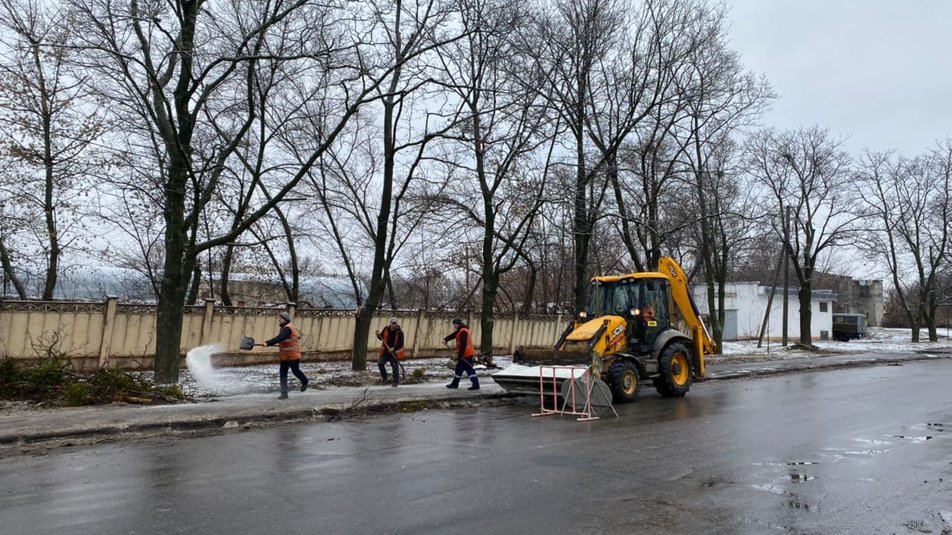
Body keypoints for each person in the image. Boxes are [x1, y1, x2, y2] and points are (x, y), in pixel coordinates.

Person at [258, 311, 309, 399]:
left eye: (280, 318)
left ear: (285, 319)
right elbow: (284, 340)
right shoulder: (284, 328)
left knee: (295, 371)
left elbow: (280, 338)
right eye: (279, 318)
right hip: (285, 356)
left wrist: (267, 343)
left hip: (292, 355)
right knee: (283, 373)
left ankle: (305, 381)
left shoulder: (287, 328)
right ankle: (284, 394)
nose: (279, 320)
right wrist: (275, 344)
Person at [442, 318, 479, 390]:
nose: (454, 326)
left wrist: (461, 354)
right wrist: (445, 339)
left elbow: (463, 344)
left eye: (454, 324)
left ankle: (475, 384)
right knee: (459, 369)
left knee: (469, 369)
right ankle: (455, 384)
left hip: (466, 354)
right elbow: (453, 335)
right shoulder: (462, 330)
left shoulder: (463, 331)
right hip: (465, 354)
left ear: (456, 324)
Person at [375, 317, 404, 387]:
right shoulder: (386, 329)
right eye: (392, 323)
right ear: (390, 323)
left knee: (394, 367)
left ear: (397, 324)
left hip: (394, 352)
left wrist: (393, 348)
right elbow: (381, 337)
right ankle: (385, 378)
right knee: (380, 364)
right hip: (385, 351)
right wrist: (378, 335)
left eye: (395, 323)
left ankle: (395, 381)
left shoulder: (399, 332)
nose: (393, 325)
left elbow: (401, 343)